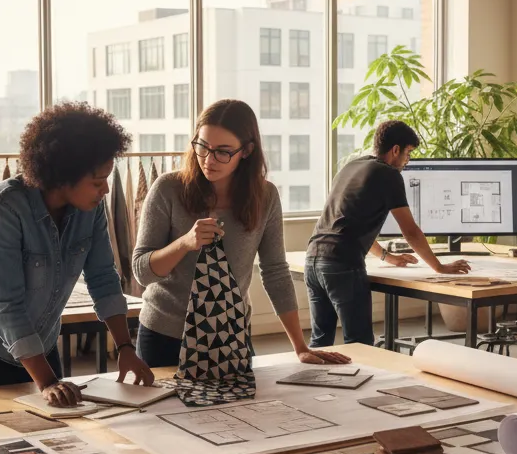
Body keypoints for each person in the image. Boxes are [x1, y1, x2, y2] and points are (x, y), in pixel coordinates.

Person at [0, 103, 154, 406]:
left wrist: (125, 347)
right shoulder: (4, 207)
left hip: (40, 342)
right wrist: (47, 382)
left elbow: (103, 278)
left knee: (57, 433)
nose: (106, 190)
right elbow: (5, 305)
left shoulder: (91, 209)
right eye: (97, 182)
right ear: (63, 176)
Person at [132, 99, 349, 367]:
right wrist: (185, 243)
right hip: (165, 335)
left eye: (223, 151)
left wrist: (301, 347)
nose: (208, 160)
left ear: (246, 151)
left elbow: (275, 271)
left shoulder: (265, 196)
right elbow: (141, 271)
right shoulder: (168, 188)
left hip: (231, 335)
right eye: (202, 146)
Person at [305, 120, 471, 348]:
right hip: (342, 265)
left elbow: (349, 224)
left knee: (320, 343)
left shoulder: (351, 166)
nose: (407, 161)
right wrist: (439, 267)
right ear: (395, 150)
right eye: (408, 153)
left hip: (313, 260)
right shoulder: (389, 174)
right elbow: (411, 232)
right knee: (359, 345)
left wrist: (387, 257)